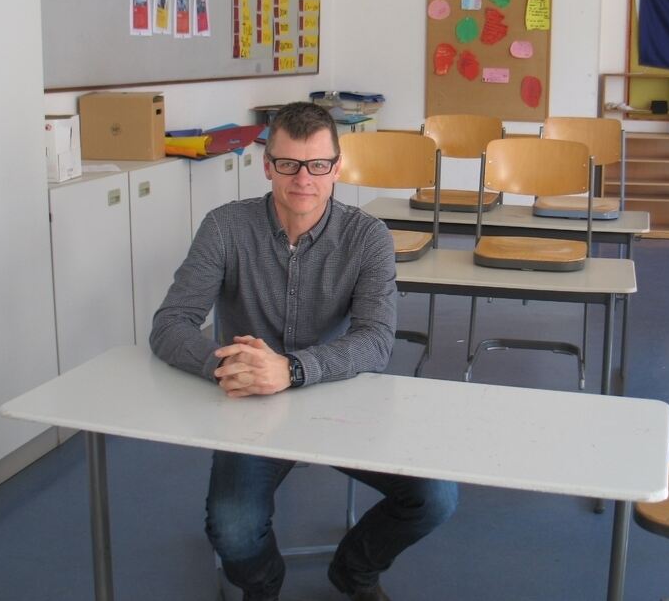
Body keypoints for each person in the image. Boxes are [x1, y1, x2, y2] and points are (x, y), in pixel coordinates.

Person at [150, 102, 458, 601]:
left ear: (337, 167)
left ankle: (354, 571)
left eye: (317, 165)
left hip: (338, 399)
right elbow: (170, 323)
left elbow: (376, 340)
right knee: (232, 528)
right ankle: (263, 587)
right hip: (250, 403)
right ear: (267, 166)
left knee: (435, 497)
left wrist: (291, 370)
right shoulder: (225, 227)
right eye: (289, 164)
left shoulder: (368, 237)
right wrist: (229, 366)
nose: (303, 179)